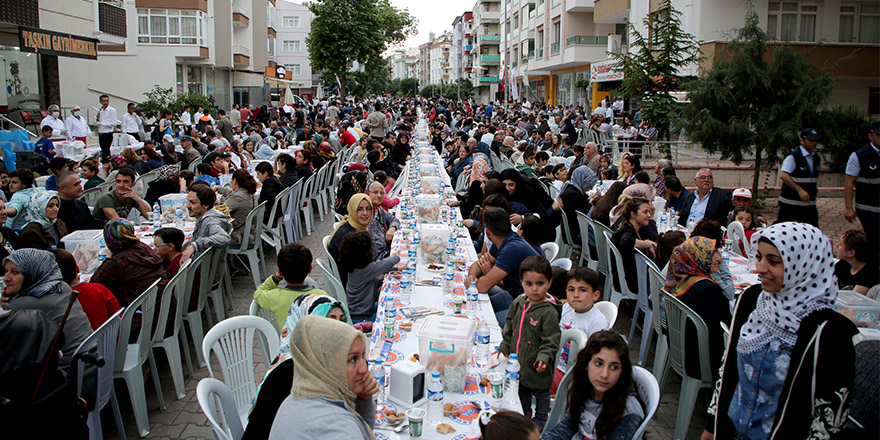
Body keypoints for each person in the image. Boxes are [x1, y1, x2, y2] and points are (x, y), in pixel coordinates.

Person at [702, 222, 858, 440]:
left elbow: (827, 421)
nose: (760, 268)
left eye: (773, 261)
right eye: (759, 257)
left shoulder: (831, 332)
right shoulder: (753, 300)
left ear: (804, 265)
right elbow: (727, 369)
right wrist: (712, 426)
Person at [245, 294, 349, 440]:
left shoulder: (326, 361)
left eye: (342, 320)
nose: (339, 327)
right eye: (330, 320)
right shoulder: (288, 372)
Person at [267, 315, 378, 440]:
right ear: (326, 364)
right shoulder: (339, 428)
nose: (364, 369)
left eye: (363, 355)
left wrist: (363, 399)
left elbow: (362, 431)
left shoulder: (295, 398)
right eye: (352, 359)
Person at [542, 331, 645, 440]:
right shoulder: (586, 389)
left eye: (614, 367)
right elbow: (568, 426)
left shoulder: (628, 414)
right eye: (599, 364)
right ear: (586, 364)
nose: (604, 374)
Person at [1, 248, 93, 372]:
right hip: (92, 366)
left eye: (15, 272)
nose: (6, 278)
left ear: (32, 272)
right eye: (6, 271)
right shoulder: (61, 286)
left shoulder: (20, 306)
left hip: (70, 379)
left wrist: (7, 307)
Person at [496, 256, 560, 427]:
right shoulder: (520, 302)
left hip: (537, 362)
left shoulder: (548, 312)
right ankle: (524, 412)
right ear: (522, 282)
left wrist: (544, 358)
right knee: (521, 387)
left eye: (540, 284)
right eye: (529, 284)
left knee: (541, 391)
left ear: (549, 283)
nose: (534, 289)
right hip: (519, 359)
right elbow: (509, 325)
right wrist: (505, 345)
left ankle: (541, 417)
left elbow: (551, 339)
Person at [665, 237, 730, 384]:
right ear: (698, 258)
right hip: (700, 361)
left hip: (681, 350)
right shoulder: (707, 290)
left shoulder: (680, 278)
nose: (719, 258)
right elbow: (728, 324)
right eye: (713, 253)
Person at [469, 208, 540, 322]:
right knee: (475, 306)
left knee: (487, 321)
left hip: (530, 307)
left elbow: (482, 287)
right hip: (514, 295)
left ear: (487, 232)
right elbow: (478, 264)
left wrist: (475, 282)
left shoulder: (511, 249)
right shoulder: (503, 240)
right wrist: (472, 277)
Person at [552, 267, 609, 396]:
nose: (576, 295)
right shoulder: (566, 308)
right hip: (553, 362)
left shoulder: (597, 322)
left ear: (595, 295)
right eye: (571, 290)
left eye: (582, 290)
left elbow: (595, 359)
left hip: (569, 374)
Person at [90, 219, 165, 307]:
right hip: (162, 305)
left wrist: (108, 258)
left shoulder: (117, 262)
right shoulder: (143, 248)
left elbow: (93, 287)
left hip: (138, 313)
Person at [254, 242, 327, 330]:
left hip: (288, 343)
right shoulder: (321, 296)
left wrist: (276, 277)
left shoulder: (276, 297)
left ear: (280, 271)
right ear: (310, 269)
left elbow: (259, 292)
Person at [339, 231, 399, 323]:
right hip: (361, 317)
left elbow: (380, 269)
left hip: (357, 311)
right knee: (393, 315)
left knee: (389, 305)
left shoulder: (353, 267)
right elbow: (385, 264)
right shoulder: (365, 269)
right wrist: (396, 256)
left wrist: (396, 269)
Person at [53, 248, 120, 330]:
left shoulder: (53, 302)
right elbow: (118, 317)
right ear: (77, 269)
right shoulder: (98, 290)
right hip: (107, 340)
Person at [844, 120, 880, 253]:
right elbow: (849, 183)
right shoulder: (859, 156)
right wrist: (848, 208)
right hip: (868, 209)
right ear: (870, 136)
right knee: (872, 242)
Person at [180, 184, 232, 270]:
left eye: (192, 202)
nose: (187, 206)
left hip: (201, 272)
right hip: (201, 267)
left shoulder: (211, 221)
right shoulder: (205, 217)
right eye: (188, 202)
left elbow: (223, 238)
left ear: (206, 205)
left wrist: (195, 245)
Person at [611, 197, 657, 295]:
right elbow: (626, 241)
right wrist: (647, 243)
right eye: (645, 212)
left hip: (624, 278)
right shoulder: (627, 232)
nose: (649, 215)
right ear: (633, 214)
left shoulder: (628, 228)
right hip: (631, 283)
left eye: (650, 212)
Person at [777, 128, 821, 227]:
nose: (814, 143)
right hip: (790, 204)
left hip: (809, 205)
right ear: (802, 140)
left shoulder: (816, 158)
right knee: (784, 231)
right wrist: (799, 190)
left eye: (815, 140)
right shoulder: (793, 157)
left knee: (812, 232)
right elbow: (784, 175)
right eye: (811, 140)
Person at [327, 194, 373, 274]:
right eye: (360, 209)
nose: (365, 213)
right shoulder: (349, 236)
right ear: (352, 210)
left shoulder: (356, 226)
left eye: (368, 209)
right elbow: (359, 272)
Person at [220, 169, 258, 247]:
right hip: (251, 233)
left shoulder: (237, 198)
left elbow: (220, 213)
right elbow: (233, 194)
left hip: (239, 236)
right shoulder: (249, 193)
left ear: (234, 181)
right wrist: (219, 189)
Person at [834, 229, 879, 295]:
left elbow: (853, 299)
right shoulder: (843, 264)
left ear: (851, 253)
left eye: (840, 244)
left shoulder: (869, 274)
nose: (837, 245)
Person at [366, 181, 399, 259]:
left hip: (386, 251)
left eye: (381, 193)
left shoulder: (378, 209)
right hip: (378, 258)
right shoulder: (366, 213)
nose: (379, 195)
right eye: (375, 192)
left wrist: (392, 228)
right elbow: (377, 246)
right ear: (368, 193)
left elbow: (394, 219)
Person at [97, 95, 117, 160]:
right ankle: (105, 161)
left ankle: (107, 162)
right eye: (103, 101)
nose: (105, 102)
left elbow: (114, 123)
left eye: (107, 101)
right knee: (103, 149)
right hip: (101, 132)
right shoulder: (101, 110)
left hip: (107, 133)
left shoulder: (112, 110)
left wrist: (103, 124)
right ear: (100, 102)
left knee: (106, 150)